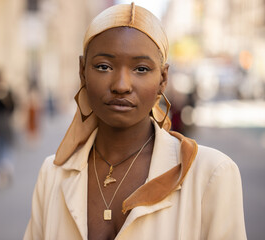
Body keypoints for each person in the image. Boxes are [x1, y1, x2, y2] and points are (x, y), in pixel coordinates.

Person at [24, 3, 246, 239]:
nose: (121, 85)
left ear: (163, 79)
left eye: (140, 69)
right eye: (103, 66)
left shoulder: (211, 174)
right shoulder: (53, 175)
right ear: (82, 71)